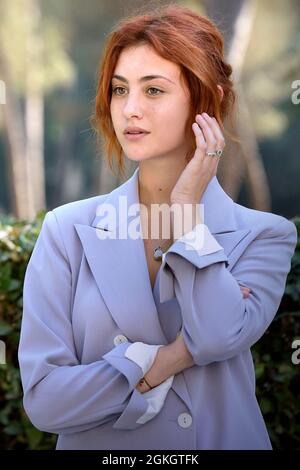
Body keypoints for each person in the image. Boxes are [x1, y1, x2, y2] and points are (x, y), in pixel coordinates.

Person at [18, 4, 297, 450]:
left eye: (153, 90)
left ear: (211, 99)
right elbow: (46, 402)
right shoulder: (66, 230)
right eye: (119, 89)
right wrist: (164, 359)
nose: (130, 109)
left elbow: (218, 333)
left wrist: (186, 210)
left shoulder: (265, 235)